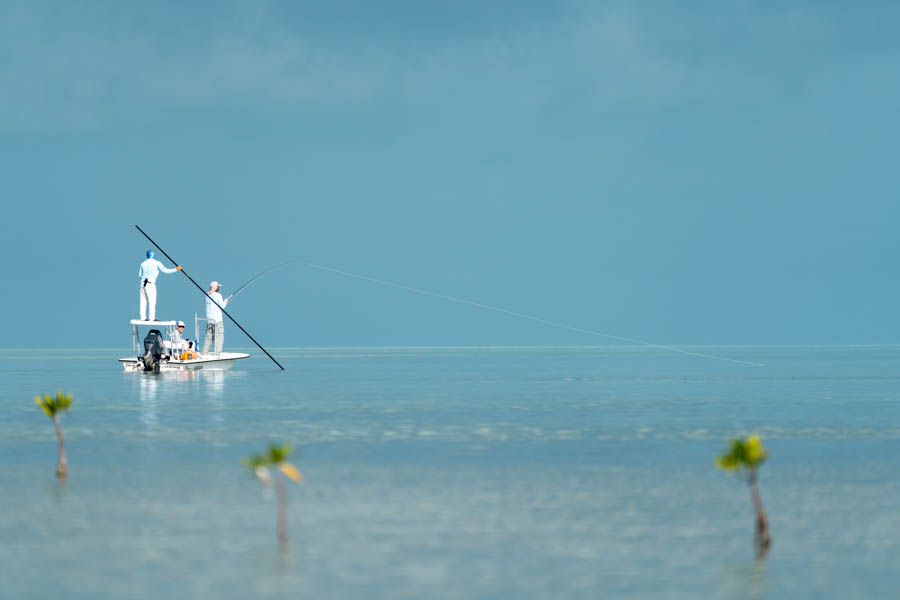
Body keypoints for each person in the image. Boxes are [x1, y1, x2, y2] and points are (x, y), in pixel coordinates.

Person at [139, 250, 181, 321]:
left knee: (143, 301)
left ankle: (142, 318)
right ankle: (152, 318)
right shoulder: (157, 263)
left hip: (142, 283)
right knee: (152, 301)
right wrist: (176, 269)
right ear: (153, 255)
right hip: (150, 283)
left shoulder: (143, 263)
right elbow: (165, 270)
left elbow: (140, 275)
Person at [203, 281, 228, 356]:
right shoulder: (218, 295)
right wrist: (225, 301)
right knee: (219, 337)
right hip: (217, 321)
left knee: (208, 338)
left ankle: (204, 353)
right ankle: (217, 354)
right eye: (218, 286)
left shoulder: (206, 295)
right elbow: (222, 306)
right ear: (215, 287)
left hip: (209, 320)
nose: (219, 287)